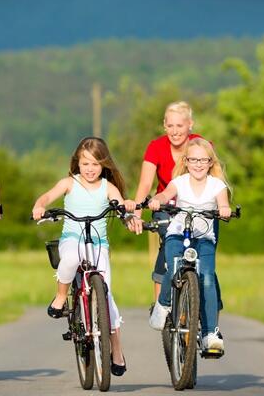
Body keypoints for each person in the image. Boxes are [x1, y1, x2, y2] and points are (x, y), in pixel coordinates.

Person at [31, 137, 136, 377]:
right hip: (72, 239)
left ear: (104, 165)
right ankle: (60, 297)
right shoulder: (69, 182)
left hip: (98, 244)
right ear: (77, 163)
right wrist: (39, 206)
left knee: (107, 297)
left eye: (95, 164)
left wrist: (129, 214)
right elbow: (46, 197)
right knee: (68, 260)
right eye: (85, 163)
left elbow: (121, 206)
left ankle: (116, 351)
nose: (90, 169)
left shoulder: (108, 187)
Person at [147, 138, 231, 351]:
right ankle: (163, 305)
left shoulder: (217, 185)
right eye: (193, 159)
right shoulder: (180, 181)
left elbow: (223, 202)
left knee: (208, 279)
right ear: (186, 161)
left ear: (211, 162)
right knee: (173, 267)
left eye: (203, 160)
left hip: (204, 239)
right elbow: (166, 194)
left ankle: (210, 333)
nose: (198, 164)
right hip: (178, 234)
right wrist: (158, 199)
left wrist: (224, 209)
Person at [128, 101, 208, 301]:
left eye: (179, 126)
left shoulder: (200, 145)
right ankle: (160, 306)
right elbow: (145, 184)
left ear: (190, 124)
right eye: (170, 126)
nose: (174, 131)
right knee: (170, 243)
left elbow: (213, 176)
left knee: (199, 248)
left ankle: (196, 298)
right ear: (164, 125)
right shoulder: (156, 147)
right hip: (165, 206)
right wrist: (136, 214)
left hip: (195, 205)